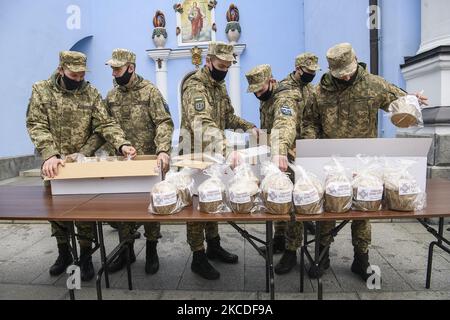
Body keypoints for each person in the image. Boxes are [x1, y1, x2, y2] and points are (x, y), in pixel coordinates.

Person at [302, 43, 428, 281]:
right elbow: (309, 122)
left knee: (363, 209)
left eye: (349, 70)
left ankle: (361, 261)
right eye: (341, 73)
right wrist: (313, 145)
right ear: (331, 70)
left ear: (355, 60)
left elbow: (399, 101)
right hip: (332, 161)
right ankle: (322, 255)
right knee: (329, 208)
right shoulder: (319, 93)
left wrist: (413, 101)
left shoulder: (374, 84)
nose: (347, 76)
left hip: (364, 162)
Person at [26, 51, 136, 281]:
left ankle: (85, 256)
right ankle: (63, 253)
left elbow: (104, 123)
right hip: (52, 163)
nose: (78, 79)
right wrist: (50, 154)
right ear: (61, 70)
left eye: (81, 75)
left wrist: (122, 144)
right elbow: (36, 124)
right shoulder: (41, 90)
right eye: (73, 75)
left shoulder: (90, 92)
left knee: (84, 213)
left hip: (81, 163)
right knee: (56, 214)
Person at [179, 41, 258, 280]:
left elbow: (227, 116)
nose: (224, 70)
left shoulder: (219, 87)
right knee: (196, 206)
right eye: (220, 65)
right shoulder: (195, 86)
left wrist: (247, 126)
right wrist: (226, 148)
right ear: (208, 61)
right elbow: (202, 123)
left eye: (227, 66)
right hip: (194, 154)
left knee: (212, 198)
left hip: (214, 154)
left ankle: (213, 245)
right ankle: (198, 256)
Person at [102, 48, 174, 275]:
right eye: (112, 69)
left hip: (150, 160)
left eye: (118, 69)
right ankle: (127, 250)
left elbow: (164, 122)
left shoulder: (150, 91)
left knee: (153, 206)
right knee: (123, 207)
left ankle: (152, 250)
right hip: (122, 163)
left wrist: (163, 150)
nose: (114, 73)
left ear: (131, 68)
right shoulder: (111, 96)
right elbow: (106, 127)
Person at [245, 64, 303, 275]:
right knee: (275, 197)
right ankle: (279, 239)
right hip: (274, 156)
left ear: (271, 81)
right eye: (255, 92)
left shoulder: (284, 97)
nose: (258, 94)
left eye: (261, 89)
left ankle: (291, 250)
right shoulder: (266, 98)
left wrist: (279, 150)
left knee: (292, 204)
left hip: (290, 156)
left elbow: (284, 124)